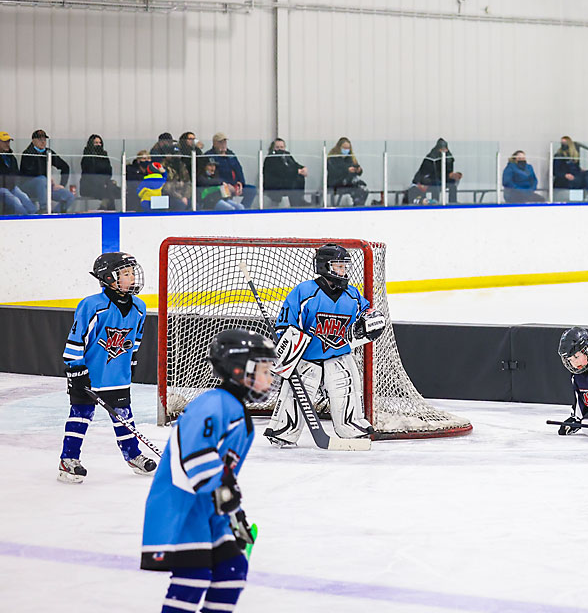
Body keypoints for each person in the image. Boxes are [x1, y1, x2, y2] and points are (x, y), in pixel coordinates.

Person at [141, 328, 276, 613]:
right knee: (193, 576)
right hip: (183, 505)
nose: (270, 377)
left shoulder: (236, 409)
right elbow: (197, 454)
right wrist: (224, 492)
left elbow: (223, 471)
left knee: (232, 571)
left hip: (209, 509)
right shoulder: (213, 403)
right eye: (263, 370)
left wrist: (233, 511)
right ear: (239, 369)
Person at [264, 243, 387, 447]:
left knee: (346, 386)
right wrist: (289, 352)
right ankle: (284, 428)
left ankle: (350, 424)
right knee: (296, 392)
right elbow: (285, 324)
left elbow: (366, 312)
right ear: (325, 267)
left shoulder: (351, 294)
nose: (344, 270)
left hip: (338, 355)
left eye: (345, 266)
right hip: (307, 358)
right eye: (339, 266)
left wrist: (372, 320)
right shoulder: (305, 292)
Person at [59, 252, 156, 483]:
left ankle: (133, 454)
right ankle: (68, 459)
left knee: (124, 416)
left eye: (132, 272)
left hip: (117, 375)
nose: (132, 277)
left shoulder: (140, 307)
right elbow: (76, 339)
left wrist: (131, 364)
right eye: (125, 273)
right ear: (109, 278)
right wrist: (75, 370)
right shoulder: (93, 306)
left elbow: (135, 341)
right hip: (89, 375)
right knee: (81, 415)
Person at [19, 129, 74, 213]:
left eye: (44, 140)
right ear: (33, 141)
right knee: (41, 180)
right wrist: (47, 179)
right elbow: (27, 173)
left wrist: (62, 184)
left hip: (46, 186)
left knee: (68, 196)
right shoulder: (27, 153)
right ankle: (44, 209)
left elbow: (65, 167)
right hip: (29, 186)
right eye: (40, 140)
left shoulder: (48, 152)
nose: (43, 142)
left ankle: (55, 214)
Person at [408, 138, 462, 204]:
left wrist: (453, 176)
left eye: (445, 149)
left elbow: (448, 171)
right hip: (429, 180)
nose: (444, 151)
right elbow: (428, 174)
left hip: (442, 179)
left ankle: (453, 202)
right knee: (436, 186)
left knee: (452, 186)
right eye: (442, 149)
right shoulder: (431, 158)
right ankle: (435, 203)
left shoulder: (448, 158)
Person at [208, 133, 254, 207]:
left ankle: (244, 209)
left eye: (224, 142)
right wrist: (225, 184)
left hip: (234, 184)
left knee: (252, 190)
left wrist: (240, 183)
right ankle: (228, 208)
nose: (223, 144)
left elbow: (238, 169)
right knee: (225, 192)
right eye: (220, 142)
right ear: (215, 143)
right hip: (221, 185)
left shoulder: (230, 154)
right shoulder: (209, 156)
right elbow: (212, 175)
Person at [263, 138, 309, 208]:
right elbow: (282, 171)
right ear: (273, 148)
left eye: (282, 147)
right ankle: (295, 203)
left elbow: (295, 164)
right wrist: (297, 171)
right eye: (277, 147)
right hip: (275, 184)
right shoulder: (270, 158)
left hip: (285, 181)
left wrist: (303, 168)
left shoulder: (287, 155)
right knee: (295, 180)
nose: (280, 149)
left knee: (299, 177)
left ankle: (299, 200)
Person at [79, 135, 122, 210]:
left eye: (100, 143)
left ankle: (104, 207)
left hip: (104, 184)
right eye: (96, 143)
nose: (98, 145)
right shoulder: (87, 156)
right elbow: (90, 174)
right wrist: (103, 183)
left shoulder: (104, 156)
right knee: (110, 190)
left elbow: (109, 171)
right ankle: (108, 209)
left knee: (112, 188)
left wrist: (105, 182)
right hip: (89, 185)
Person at [0, 131, 36, 214]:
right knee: (16, 201)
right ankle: (24, 219)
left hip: (11, 187)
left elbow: (16, 174)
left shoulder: (11, 157)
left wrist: (13, 184)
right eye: (4, 142)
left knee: (24, 197)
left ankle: (33, 215)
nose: (7, 144)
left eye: (8, 141)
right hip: (1, 188)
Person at [326, 137, 367, 206]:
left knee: (363, 190)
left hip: (349, 182)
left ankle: (358, 206)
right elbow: (333, 172)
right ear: (339, 147)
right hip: (336, 182)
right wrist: (347, 170)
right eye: (344, 148)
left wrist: (358, 170)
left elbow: (357, 167)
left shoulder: (350, 158)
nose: (346, 150)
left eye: (348, 148)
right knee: (356, 190)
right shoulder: (332, 158)